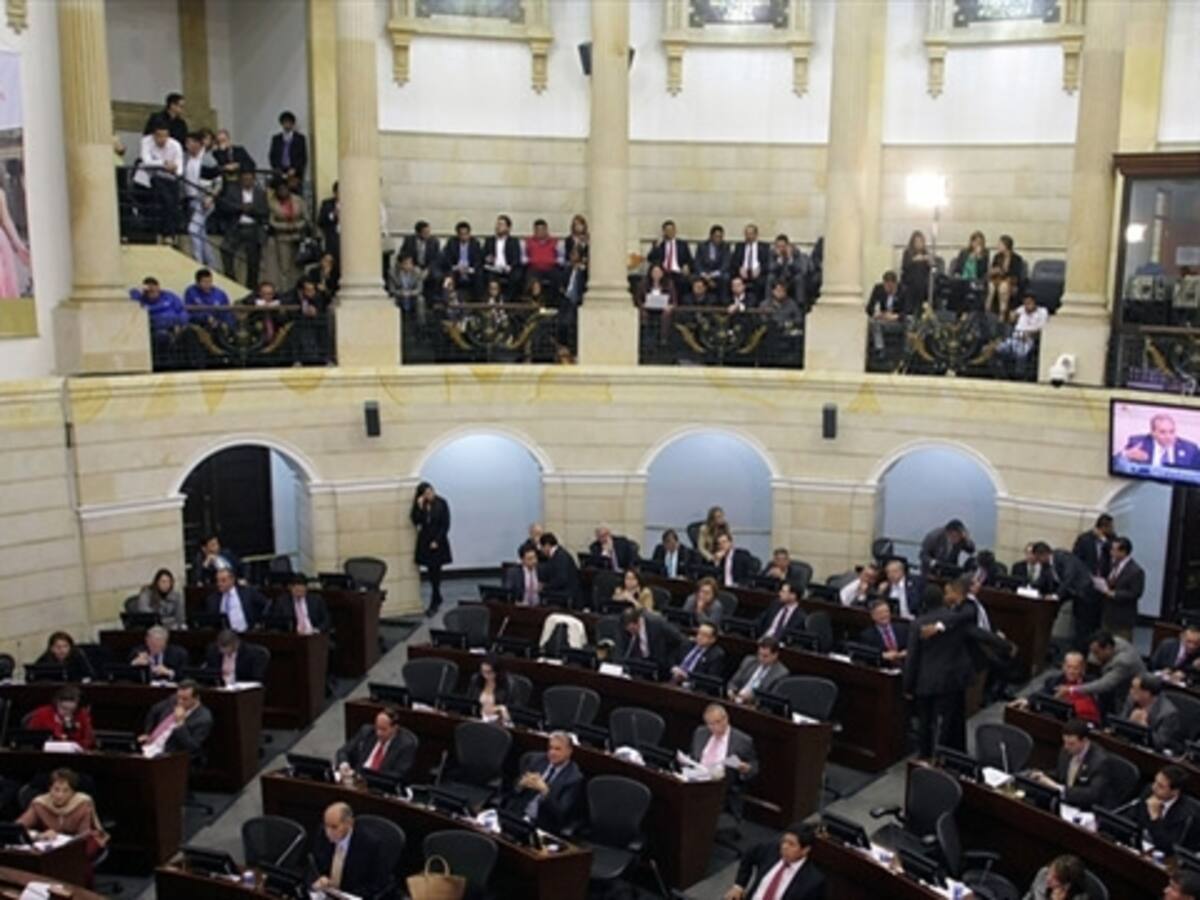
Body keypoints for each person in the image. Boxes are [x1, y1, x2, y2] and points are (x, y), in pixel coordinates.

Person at [904, 583, 990, 757]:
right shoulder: (954, 619)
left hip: (926, 681)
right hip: (951, 680)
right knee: (946, 722)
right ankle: (944, 757)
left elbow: (912, 658)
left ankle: (926, 756)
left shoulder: (918, 624)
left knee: (926, 723)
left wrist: (908, 686)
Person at [16, 769, 109, 874]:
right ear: (50, 789)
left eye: (66, 791)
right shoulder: (40, 803)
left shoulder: (83, 803)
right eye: (56, 789)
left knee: (79, 854)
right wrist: (39, 835)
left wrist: (66, 844)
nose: (60, 795)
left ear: (73, 792)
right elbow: (18, 827)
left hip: (76, 845)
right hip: (49, 845)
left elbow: (83, 835)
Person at [505, 731, 585, 833]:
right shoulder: (537, 761)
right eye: (550, 748)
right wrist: (521, 784)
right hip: (518, 815)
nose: (552, 752)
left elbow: (561, 813)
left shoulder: (574, 778)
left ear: (569, 751)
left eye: (557, 749)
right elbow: (513, 790)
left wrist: (545, 791)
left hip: (543, 825)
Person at [724, 821, 826, 900]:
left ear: (805, 850)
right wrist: (739, 886)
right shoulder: (772, 850)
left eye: (791, 844)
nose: (784, 847)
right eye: (784, 841)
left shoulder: (813, 882)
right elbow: (749, 855)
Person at [311, 802, 392, 898]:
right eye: (326, 825)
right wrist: (320, 879)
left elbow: (376, 885)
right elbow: (314, 865)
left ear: (349, 823)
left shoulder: (370, 845)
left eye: (334, 827)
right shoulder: (322, 834)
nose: (328, 832)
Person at [1029, 717, 1113, 810]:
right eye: (1065, 742)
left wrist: (1060, 788)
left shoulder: (1100, 761)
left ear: (1084, 741)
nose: (1066, 747)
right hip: (1066, 800)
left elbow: (1093, 794)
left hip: (1086, 808)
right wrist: (1043, 775)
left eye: (1071, 743)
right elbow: (1061, 774)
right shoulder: (1066, 750)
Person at [1055, 630, 1146, 715]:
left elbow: (1104, 684)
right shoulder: (1113, 642)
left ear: (1108, 648)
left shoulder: (1123, 662)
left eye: (1096, 653)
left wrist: (1072, 689)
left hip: (1132, 696)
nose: (1094, 657)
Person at [690, 704, 757, 815]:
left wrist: (745, 768)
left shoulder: (742, 740)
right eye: (710, 724)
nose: (715, 727)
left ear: (726, 718)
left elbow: (754, 768)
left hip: (724, 792)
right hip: (696, 784)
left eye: (718, 722)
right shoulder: (700, 733)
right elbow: (693, 757)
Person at [1013, 651, 1101, 724]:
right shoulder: (1054, 680)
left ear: (1083, 669)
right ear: (1063, 667)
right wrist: (1027, 700)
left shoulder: (1092, 684)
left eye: (1075, 668)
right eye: (1069, 667)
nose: (1071, 671)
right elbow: (1042, 694)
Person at [219, 167, 269, 287]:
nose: (247, 181)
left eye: (250, 179)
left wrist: (251, 209)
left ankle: (251, 285)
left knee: (253, 260)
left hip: (253, 228)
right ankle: (230, 278)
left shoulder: (260, 193)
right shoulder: (232, 191)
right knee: (225, 249)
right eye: (245, 179)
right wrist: (240, 208)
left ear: (254, 180)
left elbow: (265, 211)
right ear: (241, 180)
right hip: (236, 226)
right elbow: (224, 207)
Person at [138, 680, 213, 759]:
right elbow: (153, 711)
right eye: (178, 697)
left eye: (185, 699)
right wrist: (148, 733)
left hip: (170, 756)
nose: (179, 702)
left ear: (196, 698)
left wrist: (180, 723)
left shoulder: (203, 718)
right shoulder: (173, 700)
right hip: (150, 746)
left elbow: (193, 748)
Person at [336, 706, 416, 780]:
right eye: (377, 727)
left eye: (383, 729)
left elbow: (398, 774)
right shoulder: (367, 731)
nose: (378, 733)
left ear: (395, 728)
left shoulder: (406, 744)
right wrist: (344, 764)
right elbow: (343, 751)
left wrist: (366, 776)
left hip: (379, 786)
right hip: (356, 780)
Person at [134, 125, 184, 238]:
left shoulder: (175, 145)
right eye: (159, 136)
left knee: (170, 203)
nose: (162, 139)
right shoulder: (146, 141)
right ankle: (156, 231)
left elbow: (179, 169)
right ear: (153, 136)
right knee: (156, 203)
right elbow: (146, 161)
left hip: (169, 179)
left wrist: (173, 168)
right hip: (148, 180)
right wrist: (164, 164)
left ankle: (169, 233)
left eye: (165, 136)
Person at [410, 481, 452, 615]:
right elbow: (416, 520)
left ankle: (435, 600)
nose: (430, 494)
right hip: (425, 541)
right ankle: (437, 597)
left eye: (431, 491)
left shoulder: (441, 503)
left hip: (438, 541)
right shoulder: (421, 505)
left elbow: (445, 524)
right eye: (427, 493)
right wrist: (420, 506)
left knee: (436, 571)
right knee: (431, 571)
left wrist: (436, 540)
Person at [182, 131, 219, 268]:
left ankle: (198, 262)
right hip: (191, 198)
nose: (188, 146)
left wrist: (210, 196)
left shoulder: (208, 160)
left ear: (198, 144)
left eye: (190, 143)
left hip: (204, 199)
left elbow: (219, 181)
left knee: (193, 229)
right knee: (201, 233)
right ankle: (211, 263)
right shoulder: (186, 159)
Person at [1120, 674, 1184, 754]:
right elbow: (1119, 724)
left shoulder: (1169, 713)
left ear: (1146, 693)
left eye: (1135, 689)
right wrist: (1128, 722)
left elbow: (1160, 743)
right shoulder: (1131, 700)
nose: (1130, 691)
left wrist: (1143, 727)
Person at [1116, 412, 1200, 471]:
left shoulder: (1190, 449)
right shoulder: (1138, 443)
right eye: (1163, 432)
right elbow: (1114, 464)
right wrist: (1126, 455)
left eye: (1172, 432)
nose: (1168, 437)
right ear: (1153, 432)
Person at [266, 178, 309, 291]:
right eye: (280, 189)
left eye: (285, 189)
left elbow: (306, 218)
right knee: (284, 269)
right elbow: (271, 222)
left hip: (299, 238)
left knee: (299, 267)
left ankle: (300, 290)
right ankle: (286, 291)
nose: (283, 191)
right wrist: (285, 227)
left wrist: (297, 226)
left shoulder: (298, 200)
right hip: (282, 238)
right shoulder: (272, 203)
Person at [619, 606, 684, 677]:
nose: (631, 633)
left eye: (632, 629)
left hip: (660, 665)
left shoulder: (657, 623)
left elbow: (679, 639)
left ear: (638, 621)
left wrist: (671, 663)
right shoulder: (625, 628)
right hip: (641, 665)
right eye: (628, 630)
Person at [25, 686, 95, 749]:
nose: (67, 713)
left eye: (71, 710)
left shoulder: (82, 715)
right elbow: (31, 738)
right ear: (57, 703)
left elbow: (89, 740)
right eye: (64, 709)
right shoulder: (42, 714)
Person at [1102, 537, 1145, 639]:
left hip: (1123, 618)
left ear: (1123, 552)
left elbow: (1136, 593)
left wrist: (1115, 594)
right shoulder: (1113, 565)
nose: (1111, 552)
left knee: (1121, 644)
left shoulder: (1135, 571)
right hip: (1108, 615)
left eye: (1114, 550)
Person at [728, 637, 789, 703]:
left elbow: (769, 697)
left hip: (754, 705)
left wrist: (751, 698)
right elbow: (733, 681)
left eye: (765, 656)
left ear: (775, 655)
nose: (760, 658)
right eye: (759, 654)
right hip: (735, 698)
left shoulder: (781, 672)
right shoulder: (749, 660)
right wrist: (731, 690)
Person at [205, 567, 265, 632]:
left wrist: (259, 622)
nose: (219, 584)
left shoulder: (247, 592)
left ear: (232, 580)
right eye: (217, 581)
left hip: (249, 632)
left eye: (223, 580)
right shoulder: (212, 599)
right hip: (226, 636)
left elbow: (266, 604)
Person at [129, 277, 187, 341]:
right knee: (162, 336)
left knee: (190, 333)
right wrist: (139, 288)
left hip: (175, 326)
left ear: (158, 287)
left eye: (154, 288)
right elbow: (132, 299)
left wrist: (181, 323)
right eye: (149, 290)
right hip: (156, 329)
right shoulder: (141, 299)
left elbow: (181, 309)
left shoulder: (169, 295)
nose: (152, 292)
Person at [866, 270, 909, 357]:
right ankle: (880, 349)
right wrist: (876, 314)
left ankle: (905, 350)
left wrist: (895, 316)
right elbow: (869, 308)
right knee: (874, 324)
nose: (888, 289)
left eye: (891, 287)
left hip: (897, 319)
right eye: (886, 286)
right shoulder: (878, 289)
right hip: (883, 319)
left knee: (909, 322)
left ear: (895, 284)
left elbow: (908, 311)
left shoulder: (904, 291)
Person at [467, 655, 518, 723]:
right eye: (483, 671)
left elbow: (511, 714)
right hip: (476, 719)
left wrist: (500, 709)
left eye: (489, 672)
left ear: (497, 672)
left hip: (497, 723)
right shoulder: (476, 679)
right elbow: (469, 702)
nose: (485, 675)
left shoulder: (508, 685)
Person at [858, 598, 910, 665]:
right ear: (873, 616)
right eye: (880, 613)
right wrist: (882, 656)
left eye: (886, 611)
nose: (884, 615)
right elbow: (866, 655)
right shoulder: (867, 635)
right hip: (883, 668)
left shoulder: (903, 628)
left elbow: (912, 646)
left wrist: (907, 652)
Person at [647, 219, 692, 292]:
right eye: (667, 230)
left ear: (675, 230)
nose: (670, 232)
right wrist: (656, 247)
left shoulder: (682, 244)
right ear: (664, 232)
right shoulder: (659, 244)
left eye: (672, 230)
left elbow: (689, 259)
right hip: (664, 272)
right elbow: (650, 258)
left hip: (678, 272)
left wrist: (686, 265)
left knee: (684, 282)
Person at [441, 220, 482, 299]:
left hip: (470, 269)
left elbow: (478, 259)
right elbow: (447, 258)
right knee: (448, 277)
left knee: (479, 276)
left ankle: (477, 302)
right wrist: (456, 267)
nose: (464, 237)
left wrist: (470, 269)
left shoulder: (475, 243)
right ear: (458, 234)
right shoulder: (452, 243)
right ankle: (449, 300)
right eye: (461, 234)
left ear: (469, 233)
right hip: (456, 269)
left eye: (466, 234)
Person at [538, 532, 580, 608]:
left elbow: (561, 579)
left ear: (547, 545)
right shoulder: (558, 554)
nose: (541, 551)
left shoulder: (560, 557)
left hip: (565, 593)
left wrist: (545, 586)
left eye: (542, 547)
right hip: (563, 591)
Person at [1021, 854, 1089, 900]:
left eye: (1055, 878)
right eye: (1049, 872)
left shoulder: (1079, 898)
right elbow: (1030, 895)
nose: (1048, 878)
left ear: (1066, 884)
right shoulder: (1043, 873)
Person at [268, 111, 308, 187]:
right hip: (280, 172)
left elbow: (303, 157)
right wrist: (277, 169)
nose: (287, 125)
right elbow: (272, 156)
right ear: (281, 124)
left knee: (294, 194)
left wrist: (295, 169)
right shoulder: (276, 139)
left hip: (295, 173)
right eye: (285, 122)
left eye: (289, 122)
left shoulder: (300, 138)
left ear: (293, 124)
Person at [988, 234, 1025, 315]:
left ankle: (1002, 312)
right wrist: (994, 271)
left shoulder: (1016, 258)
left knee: (1003, 287)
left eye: (1000, 244)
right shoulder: (997, 257)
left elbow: (1016, 274)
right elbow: (991, 271)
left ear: (1006, 246)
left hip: (1009, 282)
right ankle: (987, 310)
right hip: (997, 280)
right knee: (990, 286)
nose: (998, 246)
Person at [732, 223, 770, 300]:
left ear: (756, 235)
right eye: (747, 234)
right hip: (743, 273)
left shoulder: (764, 247)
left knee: (762, 282)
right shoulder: (739, 246)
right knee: (735, 281)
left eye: (751, 234)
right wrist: (739, 269)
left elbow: (767, 263)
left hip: (759, 273)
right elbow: (734, 262)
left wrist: (760, 269)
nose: (748, 236)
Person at [694, 224, 731, 299]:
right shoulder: (702, 246)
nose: (718, 239)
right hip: (704, 273)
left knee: (726, 278)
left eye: (720, 237)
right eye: (716, 236)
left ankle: (722, 303)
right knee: (693, 278)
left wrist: (713, 275)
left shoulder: (725, 246)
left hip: (718, 273)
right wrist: (704, 275)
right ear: (711, 236)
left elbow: (726, 264)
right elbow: (697, 263)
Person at [1072, 513, 1114, 579]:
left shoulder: (1112, 538)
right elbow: (1076, 558)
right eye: (1110, 527)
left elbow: (1113, 551)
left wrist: (1103, 539)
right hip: (1087, 576)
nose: (1112, 529)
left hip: (1104, 577)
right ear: (1103, 527)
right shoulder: (1084, 539)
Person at [900, 230, 934, 311]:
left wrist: (930, 262)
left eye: (921, 241)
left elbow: (930, 270)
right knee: (915, 280)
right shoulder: (907, 253)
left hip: (923, 283)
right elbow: (904, 267)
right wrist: (914, 260)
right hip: (910, 283)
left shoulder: (925, 253)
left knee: (924, 283)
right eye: (917, 241)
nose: (919, 244)